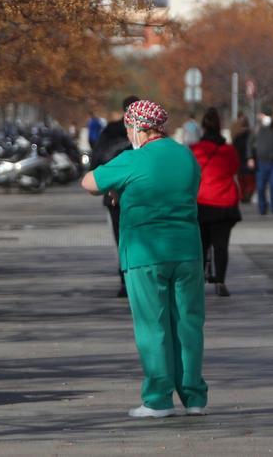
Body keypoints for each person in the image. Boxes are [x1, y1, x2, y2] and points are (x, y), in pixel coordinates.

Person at [81, 99, 209, 418]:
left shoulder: (132, 160)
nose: (128, 134)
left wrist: (119, 190)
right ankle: (194, 398)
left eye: (128, 128)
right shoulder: (186, 157)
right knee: (188, 325)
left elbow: (89, 183)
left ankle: (157, 399)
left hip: (144, 253)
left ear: (139, 127)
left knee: (152, 326)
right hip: (188, 251)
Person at [91, 95, 140, 297]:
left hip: (115, 194)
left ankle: (125, 279)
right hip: (141, 193)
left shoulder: (110, 131)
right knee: (141, 235)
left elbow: (96, 161)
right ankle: (138, 278)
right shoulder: (147, 132)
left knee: (121, 237)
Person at [192, 108, 241, 297]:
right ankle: (220, 281)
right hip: (225, 202)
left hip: (202, 202)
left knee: (201, 244)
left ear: (203, 127)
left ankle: (197, 282)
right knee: (222, 245)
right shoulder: (228, 150)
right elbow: (235, 169)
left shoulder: (196, 150)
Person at [248, 109, 273, 215]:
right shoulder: (257, 129)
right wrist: (250, 158)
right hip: (260, 162)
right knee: (260, 187)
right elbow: (250, 144)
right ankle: (262, 207)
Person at [230, 114, 256, 203]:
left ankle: (243, 195)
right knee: (250, 181)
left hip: (240, 161)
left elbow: (233, 149)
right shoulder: (252, 135)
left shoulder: (237, 136)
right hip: (249, 160)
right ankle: (247, 194)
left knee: (242, 181)